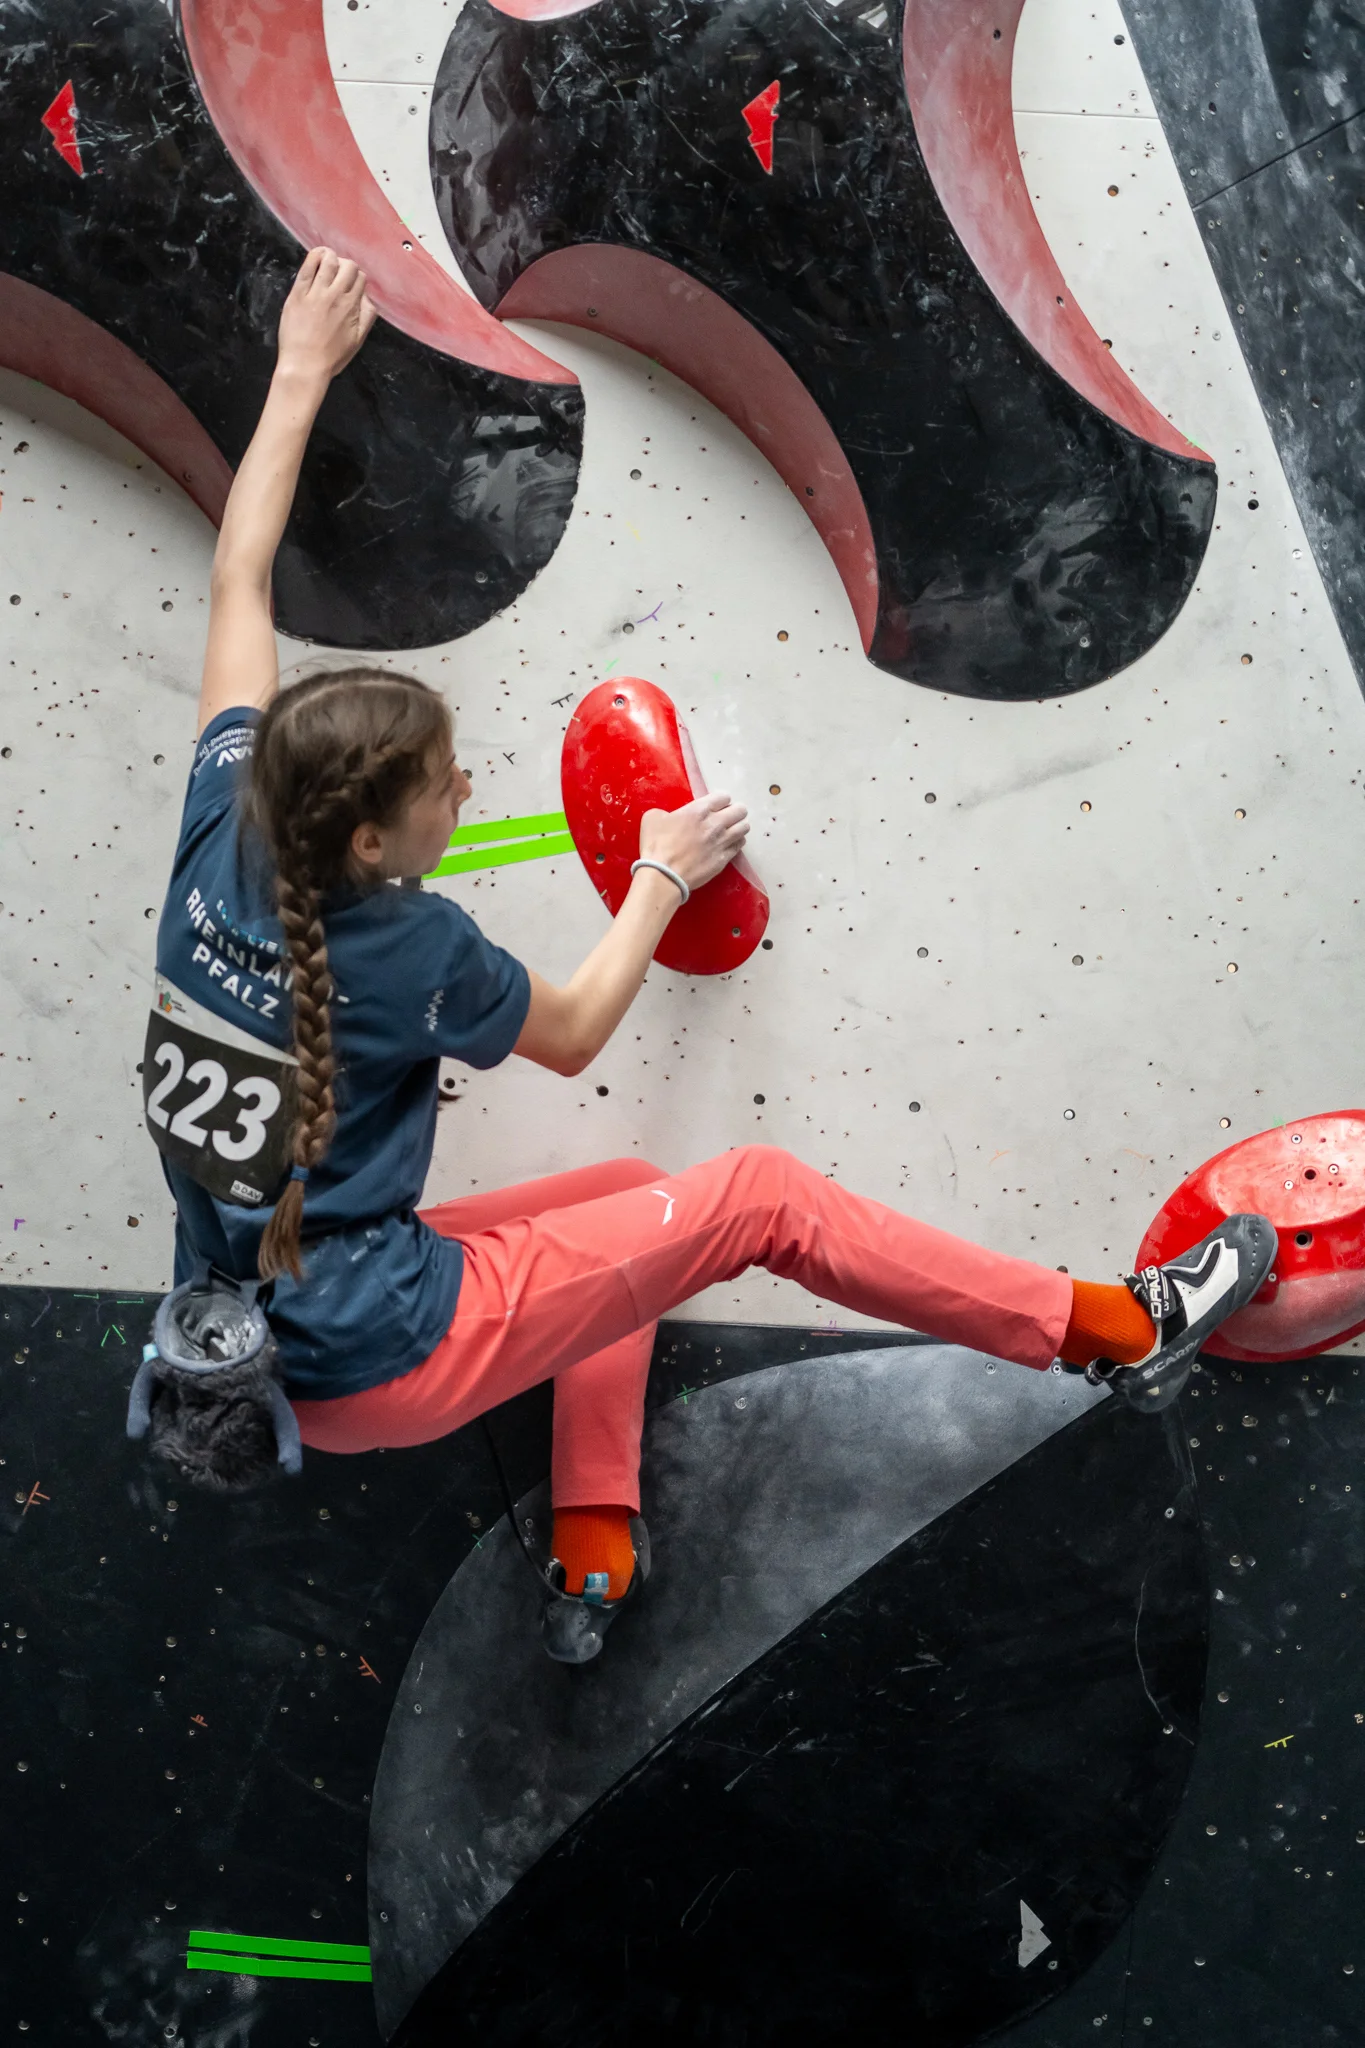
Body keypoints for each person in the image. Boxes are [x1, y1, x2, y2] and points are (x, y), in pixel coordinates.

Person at [147, 249, 1274, 1661]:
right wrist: (662, 881)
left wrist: (301, 370)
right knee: (759, 1200)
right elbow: (570, 1031)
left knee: (627, 1200)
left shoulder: (219, 826)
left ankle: (593, 1552)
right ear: (371, 843)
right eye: (444, 785)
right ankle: (1116, 1327)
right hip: (380, 1349)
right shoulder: (412, 945)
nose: (466, 783)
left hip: (259, 1322)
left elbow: (238, 575)